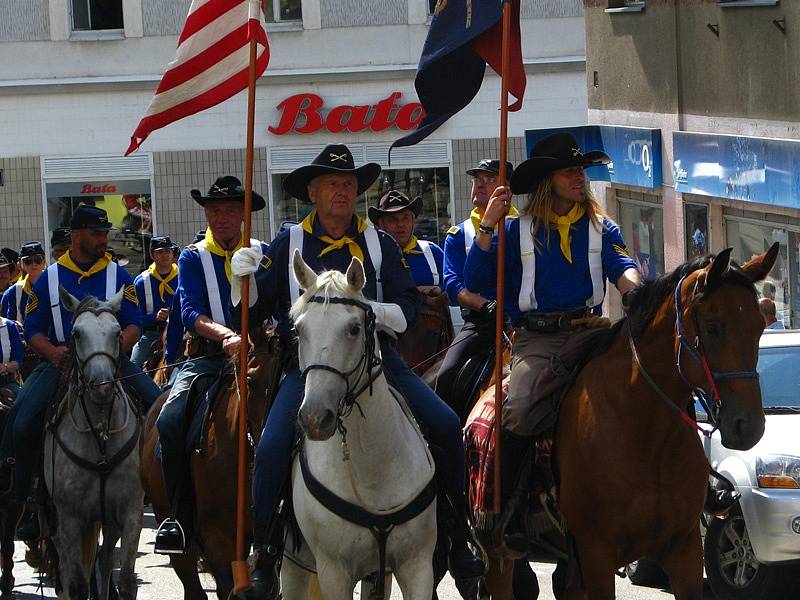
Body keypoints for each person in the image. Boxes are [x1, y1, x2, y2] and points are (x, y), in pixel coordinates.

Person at [229, 144, 484, 597]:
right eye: (332, 184)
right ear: (313, 191)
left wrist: (367, 311)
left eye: (348, 184)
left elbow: (408, 306)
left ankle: (458, 535)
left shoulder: (379, 241)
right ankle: (266, 552)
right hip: (307, 367)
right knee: (269, 450)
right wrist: (242, 283)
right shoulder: (287, 243)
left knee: (445, 425)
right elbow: (258, 311)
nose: (342, 192)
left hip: (378, 361)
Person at [464, 133, 640, 542]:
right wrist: (489, 224)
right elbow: (476, 280)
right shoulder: (515, 230)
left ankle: (688, 490)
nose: (579, 177)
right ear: (548, 181)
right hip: (538, 340)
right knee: (520, 409)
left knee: (651, 382)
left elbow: (622, 266)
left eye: (581, 170)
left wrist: (635, 291)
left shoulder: (600, 226)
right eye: (570, 171)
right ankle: (509, 510)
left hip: (595, 332)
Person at [0, 206, 163, 539]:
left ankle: (166, 500)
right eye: (97, 234)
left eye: (105, 233)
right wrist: (53, 353)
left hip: (113, 362)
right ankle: (29, 499)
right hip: (61, 363)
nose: (104, 239)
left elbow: (135, 323)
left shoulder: (120, 276)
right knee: (22, 420)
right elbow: (32, 328)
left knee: (161, 411)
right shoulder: (49, 278)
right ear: (76, 236)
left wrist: (116, 347)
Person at [153, 176, 269, 555]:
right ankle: (177, 516)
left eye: (231, 210)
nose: (222, 217)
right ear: (206, 213)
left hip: (261, 355)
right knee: (168, 422)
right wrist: (226, 335)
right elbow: (189, 312)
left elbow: (277, 302)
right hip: (208, 358)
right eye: (215, 210)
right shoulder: (191, 256)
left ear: (243, 215)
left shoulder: (263, 253)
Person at [436, 159, 515, 417]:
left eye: (489, 179)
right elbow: (453, 283)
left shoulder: (525, 227)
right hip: (482, 323)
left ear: (506, 189)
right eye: (476, 179)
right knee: (446, 376)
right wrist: (485, 306)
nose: (480, 184)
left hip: (521, 320)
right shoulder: (459, 234)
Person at [368, 190, 444, 294]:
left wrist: (438, 289)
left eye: (405, 218)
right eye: (393, 219)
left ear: (413, 221)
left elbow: (456, 288)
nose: (400, 224)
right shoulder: (370, 257)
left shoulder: (433, 252)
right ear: (381, 224)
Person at [131, 236, 179, 368]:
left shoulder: (183, 277)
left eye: (167, 251)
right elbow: (135, 317)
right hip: (151, 334)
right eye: (159, 252)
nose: (165, 255)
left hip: (178, 332)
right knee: (133, 367)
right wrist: (154, 317)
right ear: (152, 255)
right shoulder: (141, 282)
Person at [2, 242, 47, 324]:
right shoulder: (12, 292)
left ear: (44, 262)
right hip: (24, 336)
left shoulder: (55, 285)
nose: (34, 264)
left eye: (38, 259)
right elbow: (7, 324)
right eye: (28, 261)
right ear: (20, 265)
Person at [0, 316, 23, 399]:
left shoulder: (9, 326)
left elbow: (18, 361)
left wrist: (5, 367)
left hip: (6, 382)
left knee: (24, 401)